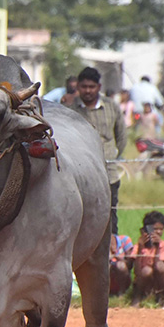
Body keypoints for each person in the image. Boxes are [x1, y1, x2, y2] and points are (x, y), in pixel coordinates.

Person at [70, 67, 126, 235]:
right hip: (80, 174)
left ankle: (112, 253)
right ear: (78, 87)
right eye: (84, 87)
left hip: (108, 173)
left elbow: (121, 137)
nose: (88, 91)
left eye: (91, 87)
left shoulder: (111, 107)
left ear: (99, 87)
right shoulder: (70, 110)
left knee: (109, 215)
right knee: (81, 216)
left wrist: (112, 156)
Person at [128, 210, 164, 305]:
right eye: (155, 229)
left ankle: (160, 295)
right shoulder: (138, 247)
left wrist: (157, 247)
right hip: (143, 281)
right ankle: (138, 295)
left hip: (158, 281)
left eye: (161, 229)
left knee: (160, 266)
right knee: (146, 270)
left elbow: (160, 268)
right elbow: (137, 271)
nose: (158, 232)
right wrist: (140, 248)